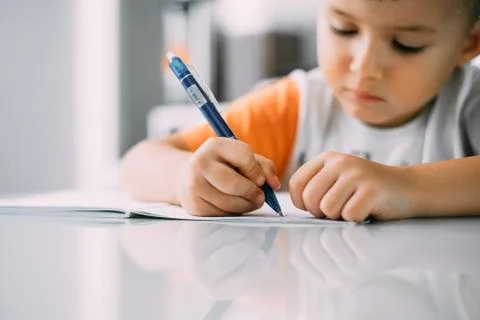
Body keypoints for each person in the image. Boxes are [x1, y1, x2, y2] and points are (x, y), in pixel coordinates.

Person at [121, 0, 480, 222]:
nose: (365, 66)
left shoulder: (469, 103)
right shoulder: (297, 105)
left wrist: (406, 187)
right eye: (343, 28)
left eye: (407, 44)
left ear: (469, 44)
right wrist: (186, 176)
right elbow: (138, 163)